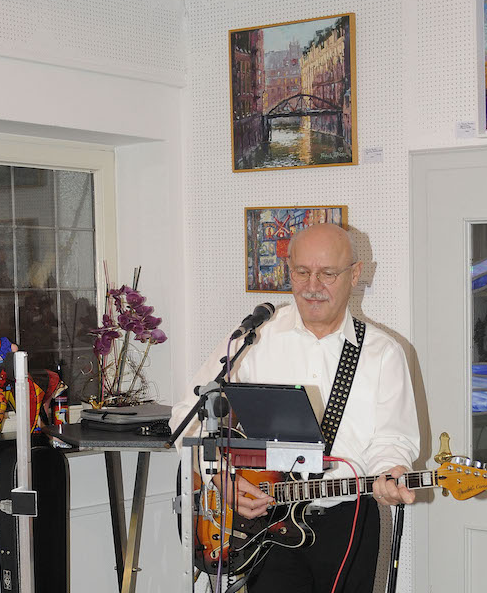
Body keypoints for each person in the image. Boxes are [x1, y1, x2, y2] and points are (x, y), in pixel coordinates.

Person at [170, 223, 420, 593]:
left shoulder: (382, 352)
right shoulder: (255, 339)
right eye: (302, 272)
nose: (312, 286)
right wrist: (219, 477)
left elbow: (392, 439)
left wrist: (392, 472)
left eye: (327, 273)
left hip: (348, 521)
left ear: (355, 275)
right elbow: (187, 417)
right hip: (266, 526)